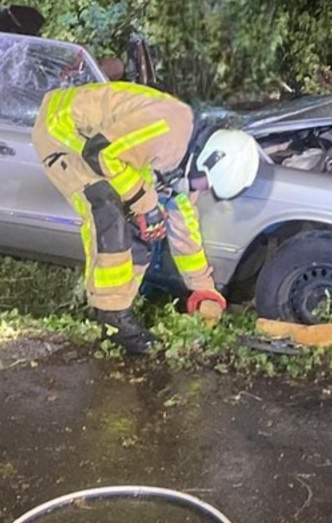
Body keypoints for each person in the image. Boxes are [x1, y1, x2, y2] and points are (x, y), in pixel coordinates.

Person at [33, 80, 261, 355]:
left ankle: (115, 309)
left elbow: (184, 229)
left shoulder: (183, 161)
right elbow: (100, 153)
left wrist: (203, 288)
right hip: (63, 127)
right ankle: (113, 317)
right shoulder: (168, 130)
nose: (202, 191)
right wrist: (146, 204)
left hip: (99, 144)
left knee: (143, 225)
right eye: (207, 185)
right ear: (207, 161)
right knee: (107, 207)